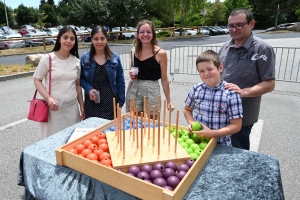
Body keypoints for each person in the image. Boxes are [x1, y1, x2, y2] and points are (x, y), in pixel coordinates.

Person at [218, 8, 276, 150]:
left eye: (239, 25)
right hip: (221, 112)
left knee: (239, 151)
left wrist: (242, 92)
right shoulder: (225, 47)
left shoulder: (262, 49)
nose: (234, 29)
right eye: (231, 25)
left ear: (251, 24)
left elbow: (269, 83)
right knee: (219, 149)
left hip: (242, 115)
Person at [33, 26, 85, 139]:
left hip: (72, 111)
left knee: (71, 142)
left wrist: (81, 105)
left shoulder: (76, 61)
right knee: (52, 142)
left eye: (72, 38)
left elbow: (77, 85)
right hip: (54, 111)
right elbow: (37, 80)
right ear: (59, 39)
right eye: (65, 37)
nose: (68, 41)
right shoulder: (48, 59)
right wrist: (48, 98)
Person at [184, 50, 243, 146]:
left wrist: (213, 134)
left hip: (220, 144)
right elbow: (187, 109)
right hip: (197, 141)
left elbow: (236, 125)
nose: (206, 73)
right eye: (201, 71)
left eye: (209, 69)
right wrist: (191, 123)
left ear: (220, 67)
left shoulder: (231, 93)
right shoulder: (196, 89)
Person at [126, 20, 174, 119]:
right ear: (138, 35)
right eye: (142, 32)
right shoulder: (133, 51)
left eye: (148, 32)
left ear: (153, 34)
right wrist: (131, 73)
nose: (145, 34)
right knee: (136, 122)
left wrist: (169, 101)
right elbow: (133, 70)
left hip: (152, 88)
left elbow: (164, 79)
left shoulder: (161, 53)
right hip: (135, 87)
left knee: (153, 124)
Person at [80, 26, 125, 120]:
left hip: (110, 100)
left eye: (102, 38)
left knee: (109, 129)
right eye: (96, 39)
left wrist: (121, 101)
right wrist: (89, 89)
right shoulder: (85, 58)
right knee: (92, 129)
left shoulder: (115, 58)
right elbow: (81, 78)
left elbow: (120, 80)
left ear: (106, 39)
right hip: (92, 100)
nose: (99, 42)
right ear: (91, 39)